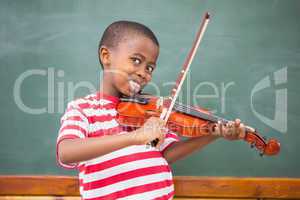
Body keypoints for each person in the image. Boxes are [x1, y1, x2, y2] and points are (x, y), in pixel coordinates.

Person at [56, 20, 245, 200]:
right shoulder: (82, 109)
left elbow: (167, 153)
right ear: (106, 56)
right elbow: (66, 151)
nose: (143, 73)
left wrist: (213, 133)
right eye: (136, 61)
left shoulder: (152, 113)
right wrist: (135, 137)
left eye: (150, 68)